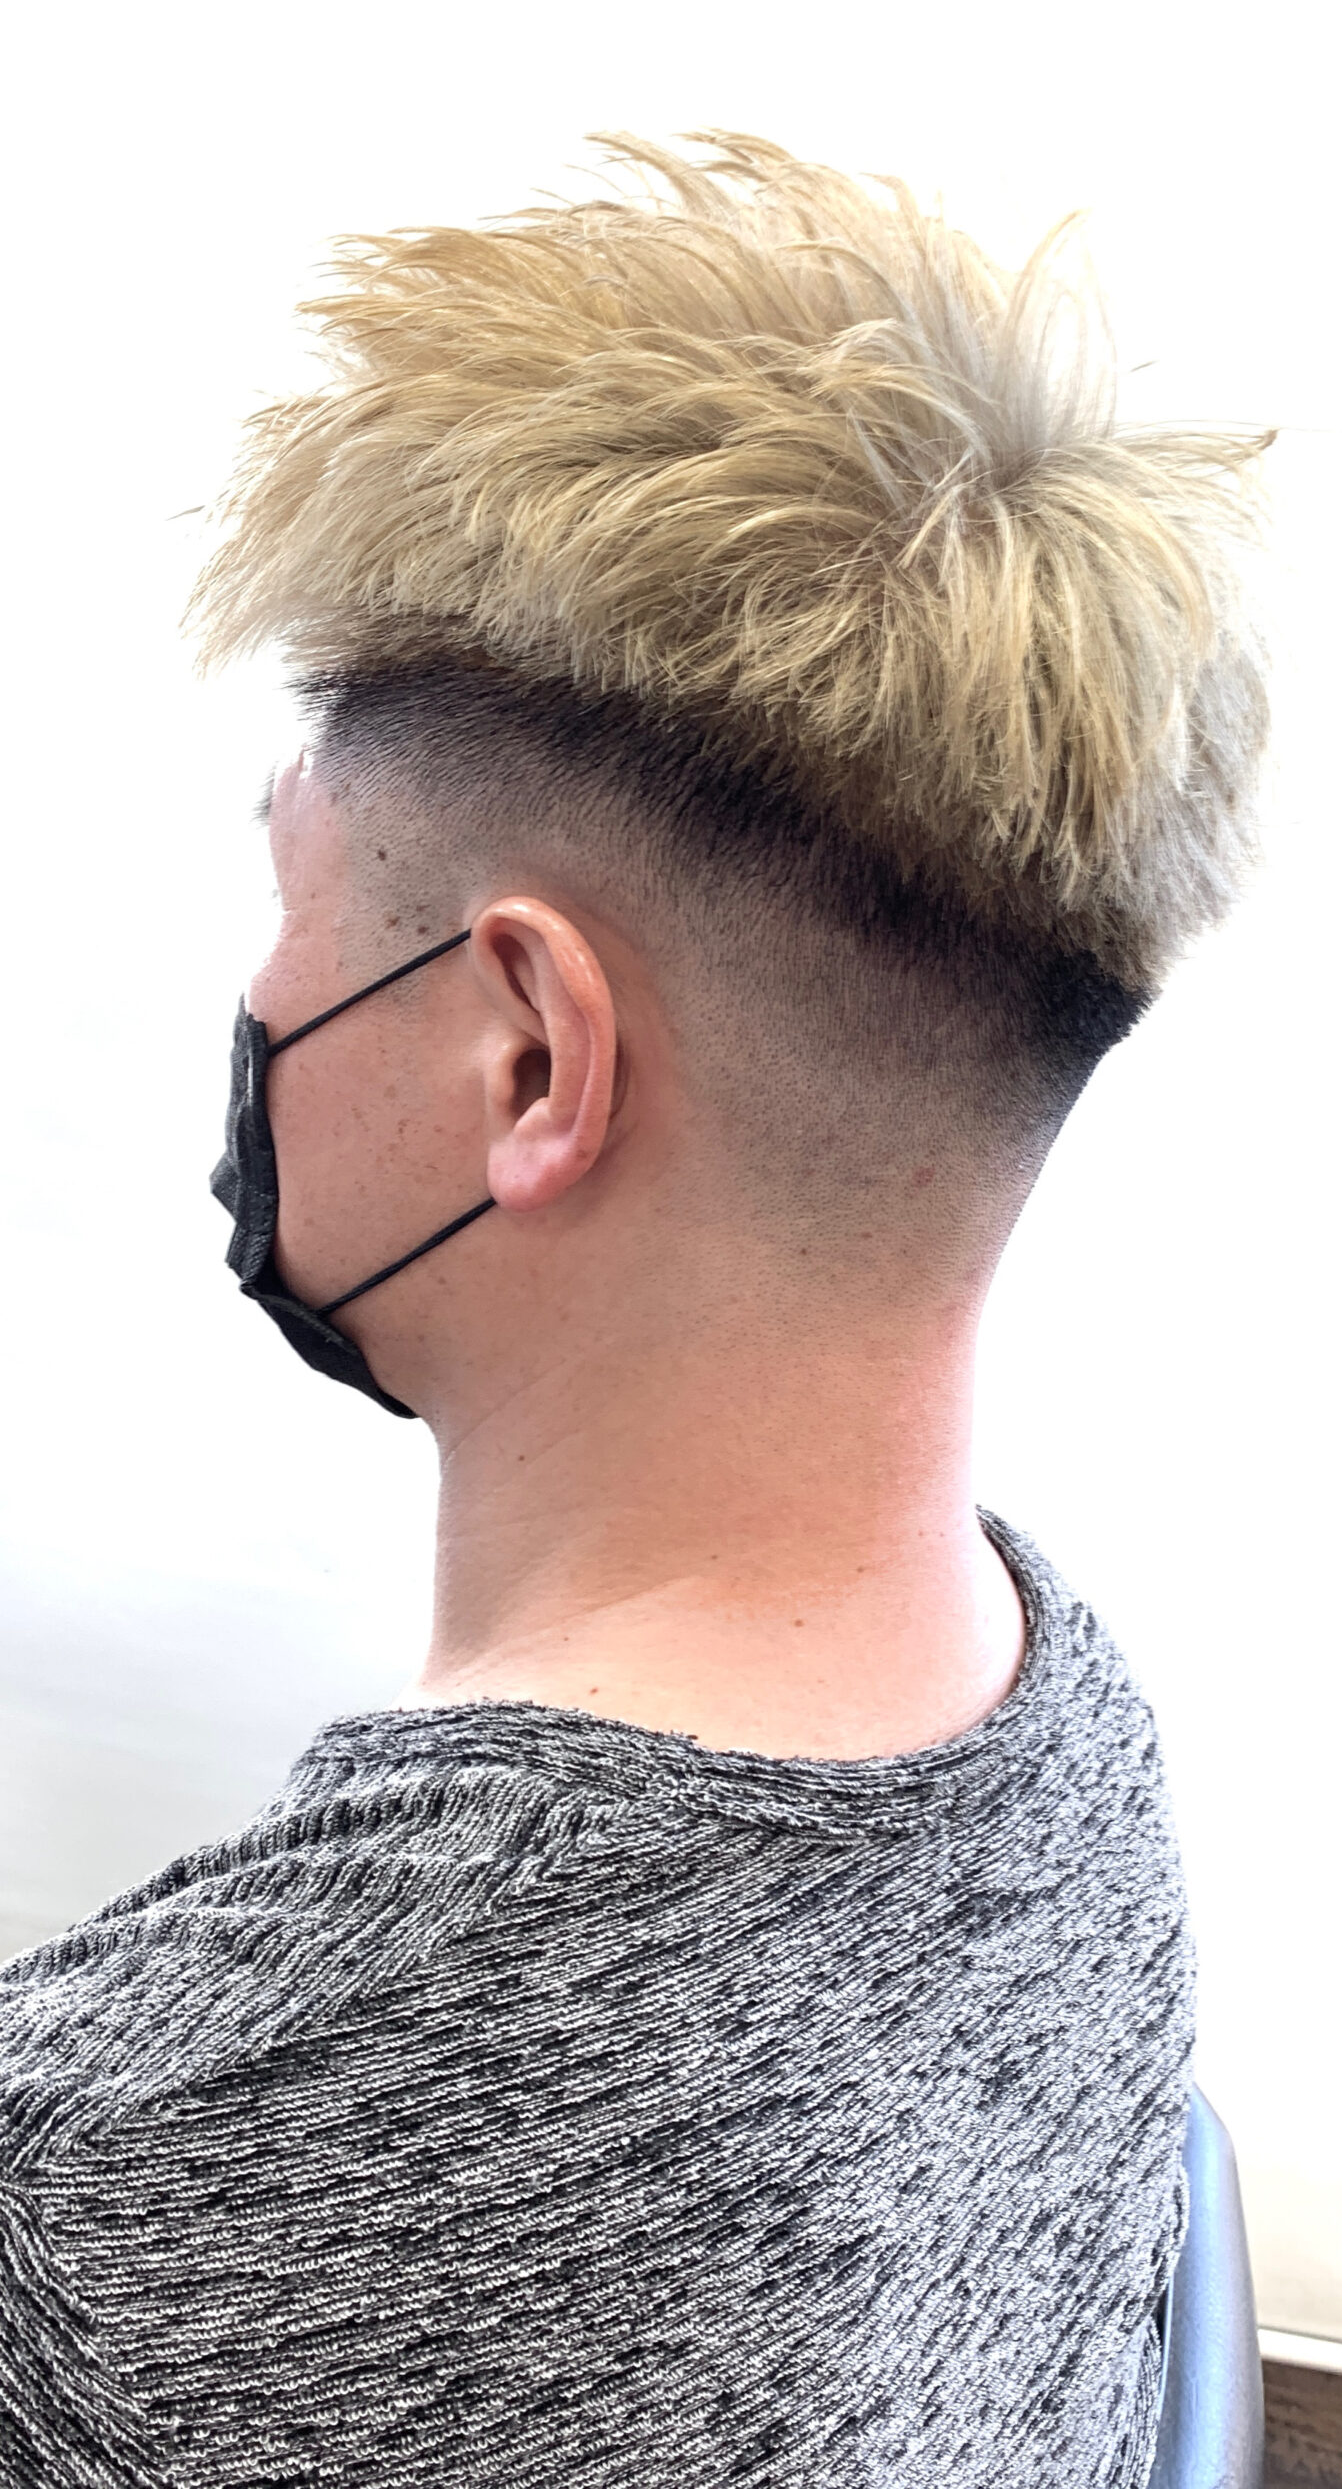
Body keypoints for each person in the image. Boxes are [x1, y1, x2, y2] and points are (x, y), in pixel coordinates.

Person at [0, 131, 1273, 2486]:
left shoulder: (120, 2184)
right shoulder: (1076, 1727)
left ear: (530, 1058)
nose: (261, 998)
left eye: (290, 901)